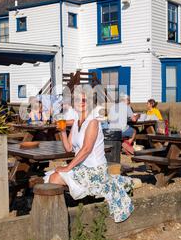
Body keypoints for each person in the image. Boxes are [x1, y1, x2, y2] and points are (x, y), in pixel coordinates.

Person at [44, 91, 135, 223]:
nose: (81, 102)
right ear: (73, 104)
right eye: (78, 100)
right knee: (52, 176)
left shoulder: (93, 122)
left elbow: (86, 149)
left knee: (55, 177)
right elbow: (69, 148)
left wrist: (68, 167)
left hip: (95, 169)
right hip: (82, 167)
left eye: (84, 100)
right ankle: (57, 213)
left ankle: (60, 215)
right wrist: (63, 132)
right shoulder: (76, 123)